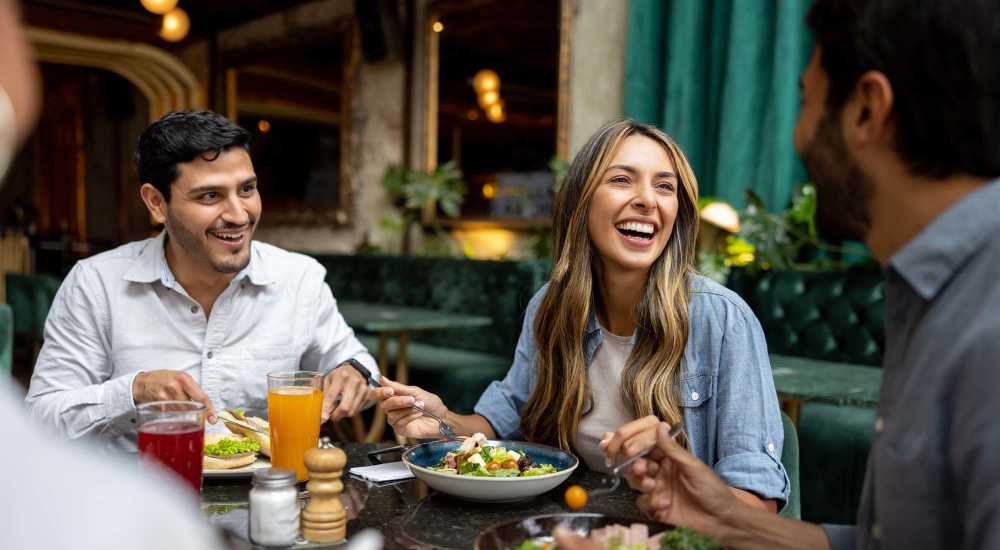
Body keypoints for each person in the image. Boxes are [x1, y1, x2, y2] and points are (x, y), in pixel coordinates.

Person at [580, 0, 1000, 549]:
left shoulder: (985, 325)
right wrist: (730, 520)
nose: (798, 136)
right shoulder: (930, 293)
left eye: (806, 100)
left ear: (866, 111)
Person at [373, 119, 789, 512]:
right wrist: (441, 418)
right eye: (622, 179)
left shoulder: (723, 319)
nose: (646, 199)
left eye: (665, 187)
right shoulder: (550, 308)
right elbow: (498, 424)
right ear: (581, 202)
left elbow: (759, 505)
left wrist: (679, 479)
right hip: (572, 526)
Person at [25, 109, 379, 451]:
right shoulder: (96, 284)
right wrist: (133, 392)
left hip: (268, 495)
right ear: (156, 203)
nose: (239, 215)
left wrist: (353, 372)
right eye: (210, 196)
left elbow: (359, 365)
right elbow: (42, 419)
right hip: (135, 496)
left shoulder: (299, 278)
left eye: (247, 189)